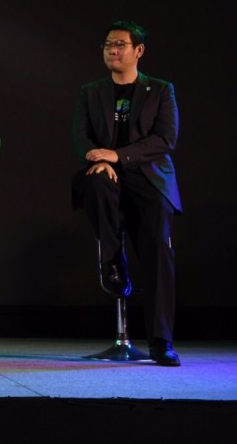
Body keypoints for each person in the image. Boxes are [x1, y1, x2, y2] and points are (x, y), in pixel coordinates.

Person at [71, 20, 181, 367]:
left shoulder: (160, 90)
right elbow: (81, 137)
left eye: (119, 45)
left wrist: (118, 156)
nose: (113, 51)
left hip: (149, 178)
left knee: (158, 251)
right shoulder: (90, 92)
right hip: (104, 175)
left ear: (138, 50)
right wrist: (100, 159)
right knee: (97, 182)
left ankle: (161, 341)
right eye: (108, 45)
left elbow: (165, 139)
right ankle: (114, 260)